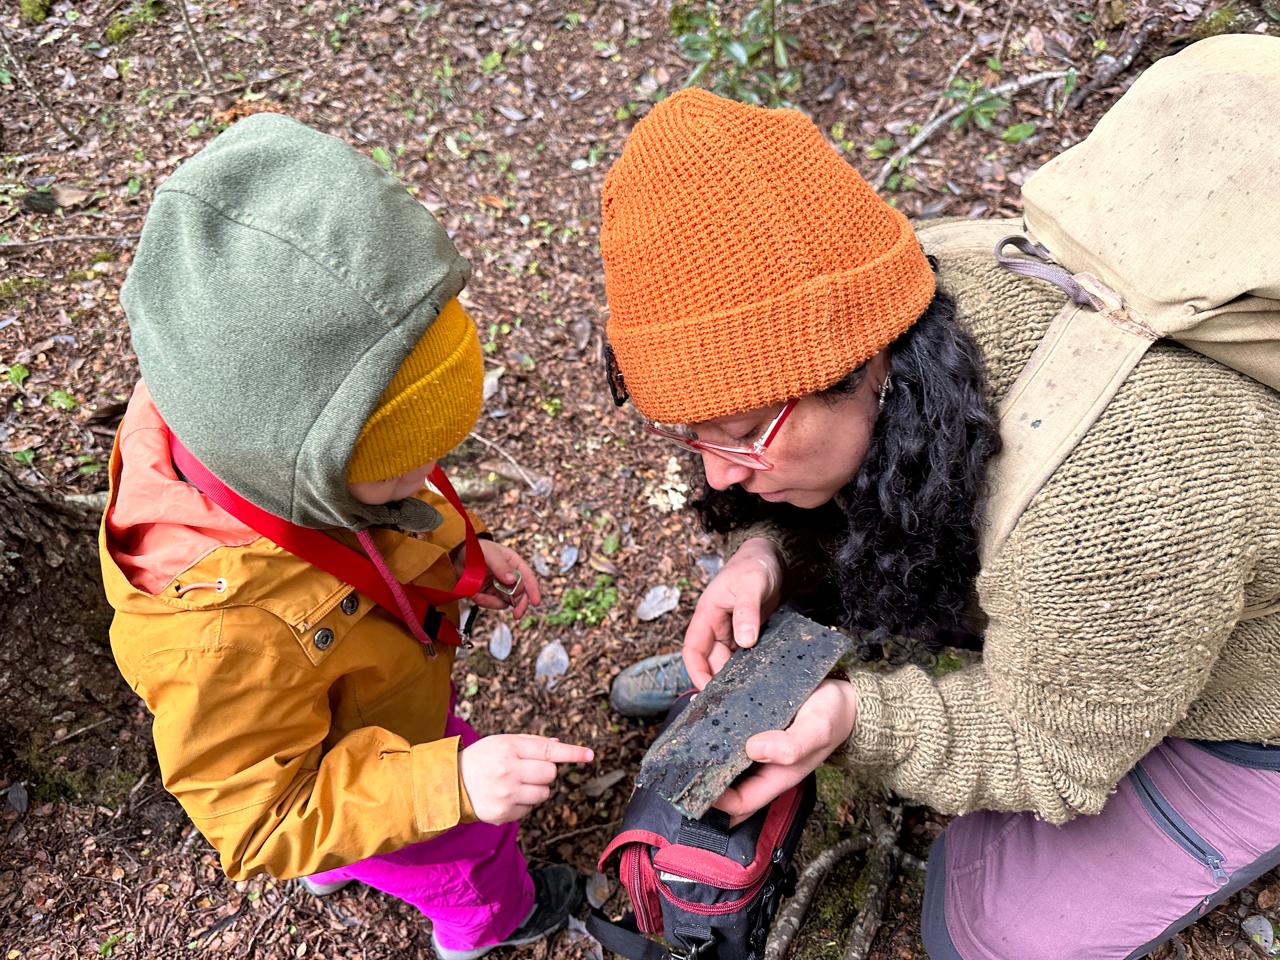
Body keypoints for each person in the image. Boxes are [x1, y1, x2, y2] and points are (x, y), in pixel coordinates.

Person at [600, 36, 1280, 960]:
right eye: (691, 436)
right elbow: (827, 469)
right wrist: (765, 550)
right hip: (1117, 604)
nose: (717, 475)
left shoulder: (1109, 514)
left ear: (865, 368)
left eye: (744, 435)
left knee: (982, 927)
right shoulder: (906, 282)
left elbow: (1057, 756)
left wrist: (855, 720)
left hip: (1245, 697)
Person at [98, 113, 592, 960]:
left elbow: (368, 524)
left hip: (364, 716)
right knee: (469, 856)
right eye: (411, 468)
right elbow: (259, 820)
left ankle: (335, 864)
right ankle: (491, 924)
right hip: (385, 773)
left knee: (344, 829)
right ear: (305, 465)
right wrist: (453, 783)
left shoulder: (238, 430)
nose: (434, 476)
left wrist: (460, 558)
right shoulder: (218, 636)